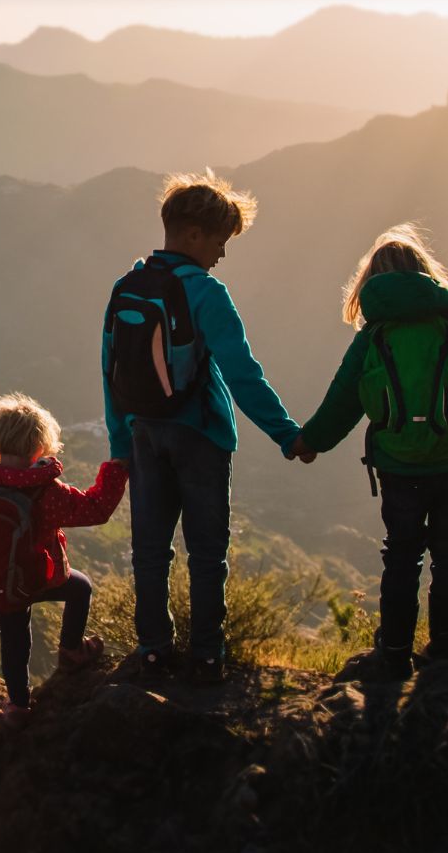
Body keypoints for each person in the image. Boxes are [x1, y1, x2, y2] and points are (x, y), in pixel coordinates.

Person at [290, 224, 448, 682]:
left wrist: (309, 443)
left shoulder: (373, 337)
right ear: (425, 273)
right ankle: (447, 654)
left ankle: (395, 654)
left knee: (401, 556)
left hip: (399, 466)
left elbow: (343, 400)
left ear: (370, 282)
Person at [100, 171, 303, 685]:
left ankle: (152, 651)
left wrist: (120, 443)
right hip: (201, 435)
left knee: (150, 548)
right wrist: (286, 434)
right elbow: (241, 373)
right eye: (220, 240)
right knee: (207, 551)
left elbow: (110, 369)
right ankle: (208, 657)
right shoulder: (207, 292)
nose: (222, 253)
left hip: (144, 432)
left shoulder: (128, 286)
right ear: (193, 234)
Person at [0, 394, 124, 713]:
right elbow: (97, 508)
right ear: (40, 445)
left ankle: (18, 706)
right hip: (41, 578)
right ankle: (71, 650)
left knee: (14, 639)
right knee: (81, 588)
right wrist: (116, 469)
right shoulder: (47, 492)